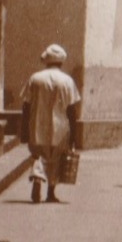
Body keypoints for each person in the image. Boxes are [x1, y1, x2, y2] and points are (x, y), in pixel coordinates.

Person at [21, 44, 81, 204]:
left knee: (38, 155)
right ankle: (50, 192)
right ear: (61, 62)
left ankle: (37, 179)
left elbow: (26, 105)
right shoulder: (67, 81)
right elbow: (71, 110)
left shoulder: (35, 78)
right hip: (60, 126)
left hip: (37, 124)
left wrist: (23, 129)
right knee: (55, 159)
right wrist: (74, 134)